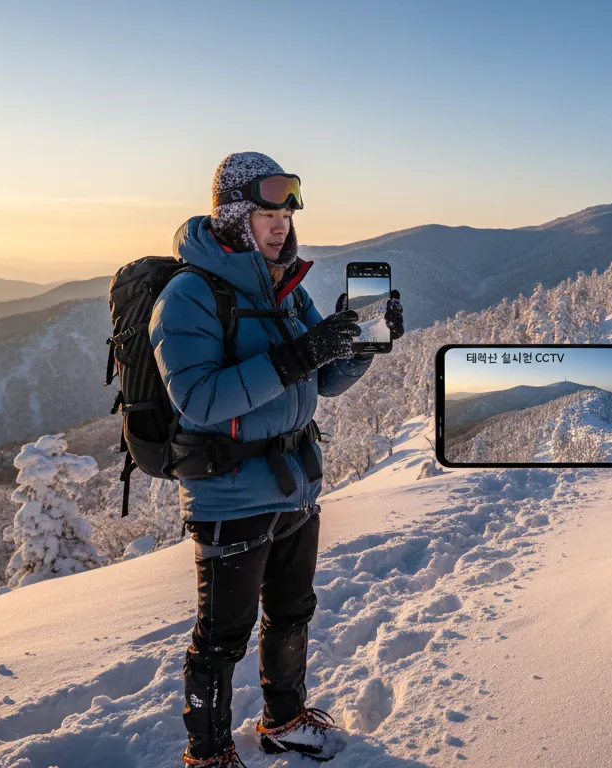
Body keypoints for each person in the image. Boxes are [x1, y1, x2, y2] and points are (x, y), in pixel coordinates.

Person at [149, 151, 404, 766]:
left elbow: (324, 379)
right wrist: (297, 355)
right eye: (267, 213)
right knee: (221, 639)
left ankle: (283, 719)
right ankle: (208, 754)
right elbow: (199, 397)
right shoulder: (189, 295)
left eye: (286, 213)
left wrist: (361, 343)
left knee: (291, 613)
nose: (281, 225)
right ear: (236, 216)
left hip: (294, 485)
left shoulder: (287, 289)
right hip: (229, 492)